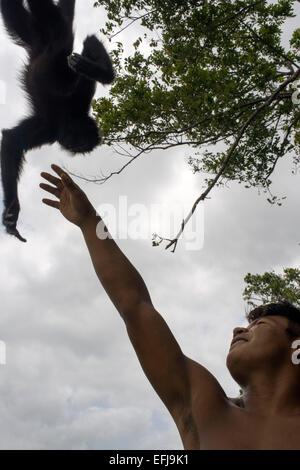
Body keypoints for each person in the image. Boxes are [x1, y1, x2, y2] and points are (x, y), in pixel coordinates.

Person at [40, 164, 300, 450]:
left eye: (260, 325)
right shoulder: (203, 405)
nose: (239, 329)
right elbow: (135, 305)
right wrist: (90, 222)